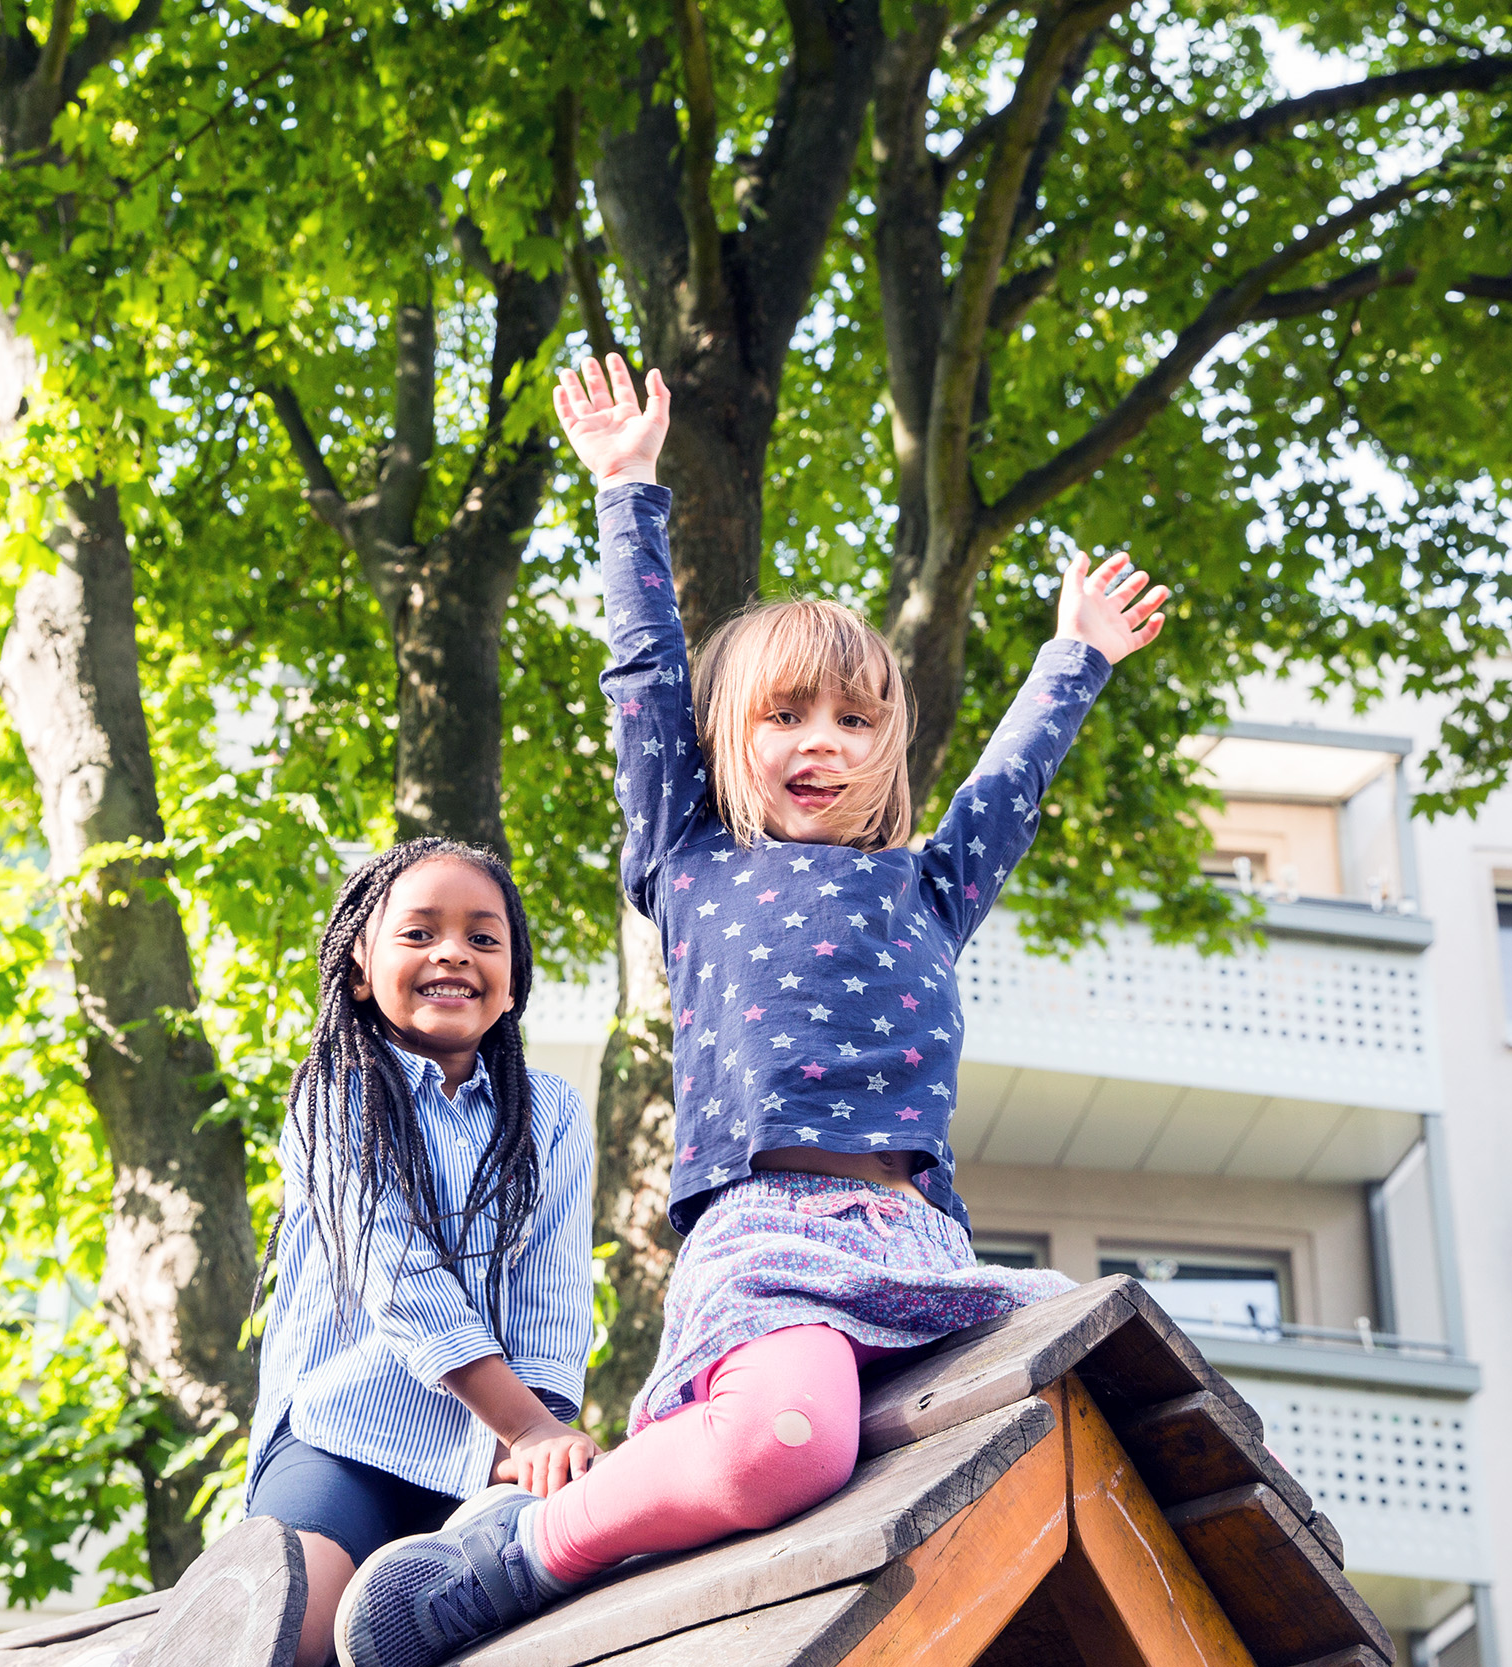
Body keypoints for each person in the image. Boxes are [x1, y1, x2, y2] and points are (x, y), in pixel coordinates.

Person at [333, 357, 1171, 1667]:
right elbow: (645, 686)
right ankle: (520, 1549)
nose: (821, 739)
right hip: (770, 1238)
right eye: (785, 714)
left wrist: (1077, 655)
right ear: (732, 736)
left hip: (919, 1243)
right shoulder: (690, 859)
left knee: (1099, 1374)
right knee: (793, 1441)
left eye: (853, 716)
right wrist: (627, 489)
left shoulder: (927, 886)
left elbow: (1010, 783)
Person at [244, 837, 598, 1667]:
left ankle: (478, 1545)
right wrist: (526, 1425)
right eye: (419, 933)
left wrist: (542, 1438)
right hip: (344, 1440)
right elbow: (399, 1281)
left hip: (488, 1458)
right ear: (360, 967)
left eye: (483, 937)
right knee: (293, 1635)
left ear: (512, 984)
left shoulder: (549, 1113)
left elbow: (553, 1302)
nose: (452, 952)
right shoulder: (336, 1095)